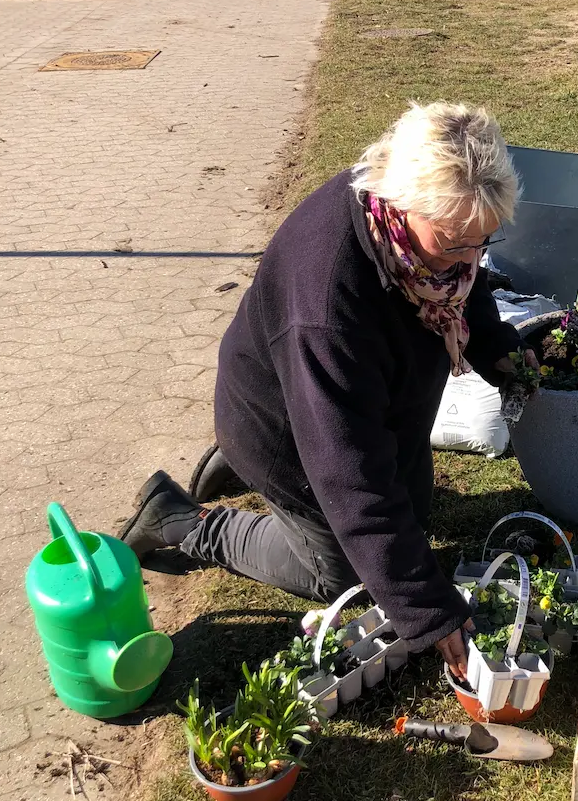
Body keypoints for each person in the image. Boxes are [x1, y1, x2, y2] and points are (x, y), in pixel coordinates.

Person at [118, 103, 532, 682]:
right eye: (454, 242)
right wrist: (426, 609)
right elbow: (350, 475)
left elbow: (464, 281)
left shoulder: (414, 224)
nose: (470, 258)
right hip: (284, 424)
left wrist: (493, 346)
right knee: (349, 575)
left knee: (412, 516)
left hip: (348, 403)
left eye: (482, 240)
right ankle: (183, 521)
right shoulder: (328, 305)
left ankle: (243, 474)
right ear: (402, 201)